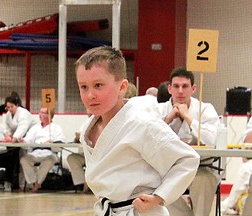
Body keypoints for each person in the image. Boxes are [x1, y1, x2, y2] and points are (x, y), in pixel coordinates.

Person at [75, 46, 200, 215]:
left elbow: (187, 159)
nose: (90, 95)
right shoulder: (87, 129)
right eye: (84, 87)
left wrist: (159, 196)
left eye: (98, 85)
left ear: (122, 86)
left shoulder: (141, 123)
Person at [154, 66, 220, 216]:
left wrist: (188, 119)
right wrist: (168, 119)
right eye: (176, 86)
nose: (180, 91)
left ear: (193, 88)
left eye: (185, 86)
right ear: (169, 88)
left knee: (204, 179)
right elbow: (149, 139)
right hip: (167, 170)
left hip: (200, 167)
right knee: (151, 182)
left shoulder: (205, 109)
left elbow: (212, 139)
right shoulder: (159, 109)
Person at [20, 107, 66, 192]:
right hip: (35, 152)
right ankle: (34, 182)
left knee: (49, 161)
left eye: (44, 113)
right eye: (40, 112)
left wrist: (52, 143)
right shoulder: (35, 128)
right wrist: (23, 141)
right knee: (24, 160)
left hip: (50, 152)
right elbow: (28, 140)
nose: (40, 114)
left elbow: (60, 144)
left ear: (50, 116)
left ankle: (38, 183)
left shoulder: (56, 128)